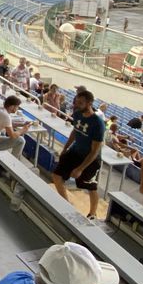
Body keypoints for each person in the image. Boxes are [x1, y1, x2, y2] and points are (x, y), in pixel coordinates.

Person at [51, 89, 106, 220]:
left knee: (91, 188)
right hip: (75, 152)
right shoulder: (77, 114)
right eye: (76, 102)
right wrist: (65, 149)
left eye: (80, 103)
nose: (76, 105)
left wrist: (80, 169)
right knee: (56, 176)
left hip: (90, 159)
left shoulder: (98, 124)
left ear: (89, 103)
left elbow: (94, 151)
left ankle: (93, 213)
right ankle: (66, 205)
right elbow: (74, 132)